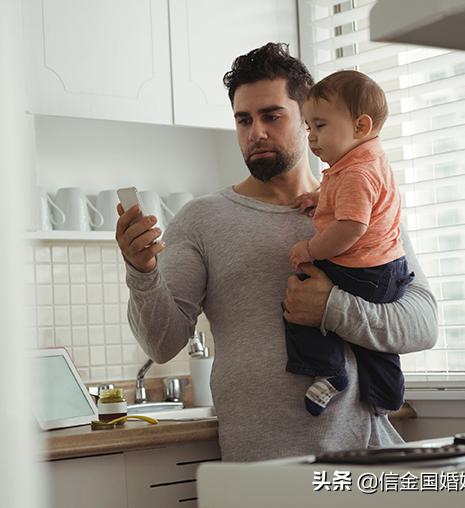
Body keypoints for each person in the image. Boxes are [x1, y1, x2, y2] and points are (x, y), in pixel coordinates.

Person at [115, 42, 437, 463]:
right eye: (243, 120)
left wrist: (332, 308)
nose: (256, 133)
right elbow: (162, 343)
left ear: (309, 122)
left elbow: (423, 325)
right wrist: (142, 272)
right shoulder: (201, 220)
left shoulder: (362, 203)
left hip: (370, 462)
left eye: (271, 116)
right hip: (262, 470)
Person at [284, 70, 414, 418]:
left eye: (320, 126)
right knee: (373, 345)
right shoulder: (364, 161)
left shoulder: (356, 172)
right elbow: (350, 201)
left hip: (364, 269)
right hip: (389, 268)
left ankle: (328, 371)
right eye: (308, 127)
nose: (311, 137)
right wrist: (320, 197)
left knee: (299, 295)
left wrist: (310, 250)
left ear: (360, 126)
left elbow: (351, 227)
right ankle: (387, 394)